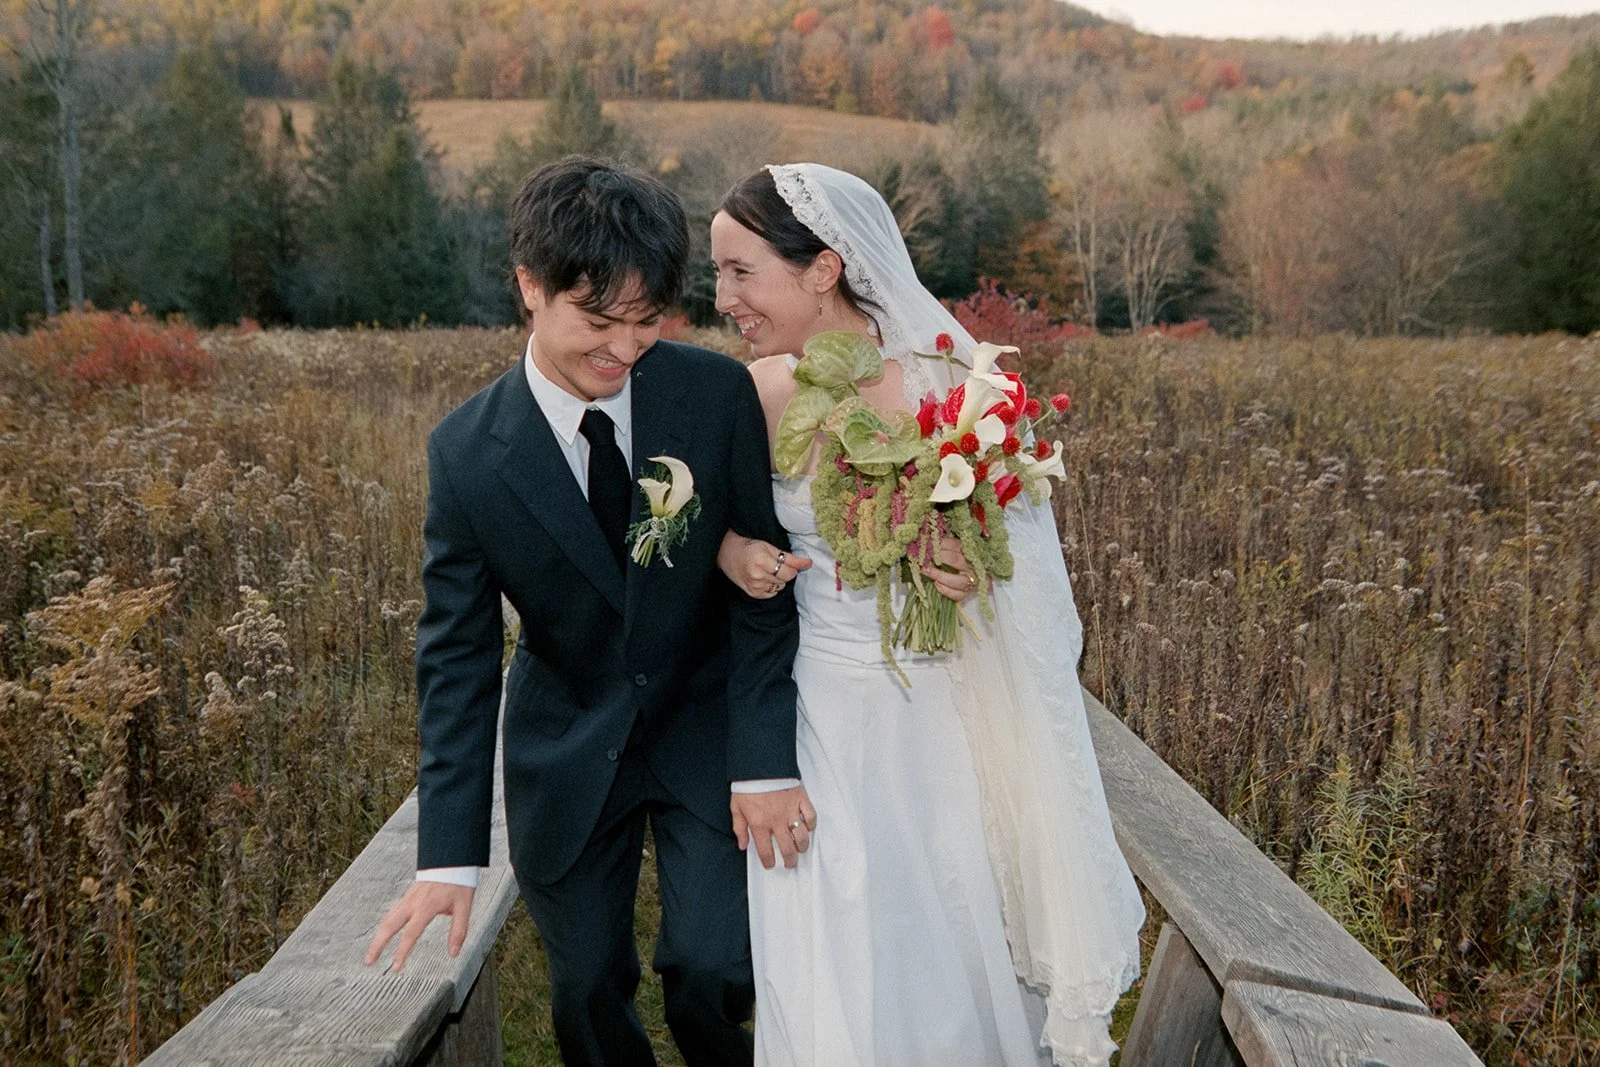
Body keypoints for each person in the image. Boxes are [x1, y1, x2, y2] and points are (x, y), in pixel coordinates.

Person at [364, 156, 819, 1067]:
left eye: (646, 322)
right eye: (599, 322)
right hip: (567, 739)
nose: (622, 350)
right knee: (585, 989)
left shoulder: (713, 394)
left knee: (711, 966)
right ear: (531, 288)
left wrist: (765, 762)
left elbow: (767, 581)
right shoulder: (466, 454)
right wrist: (448, 858)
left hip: (701, 723)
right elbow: (455, 658)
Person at [710, 164, 1146, 1066]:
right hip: (821, 712)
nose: (723, 298)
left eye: (740, 271)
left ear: (823, 268)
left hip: (944, 718)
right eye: (718, 274)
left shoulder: (958, 384)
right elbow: (689, 528)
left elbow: (1021, 557)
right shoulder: (757, 394)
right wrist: (727, 552)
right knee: (832, 937)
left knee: (951, 938)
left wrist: (974, 566)